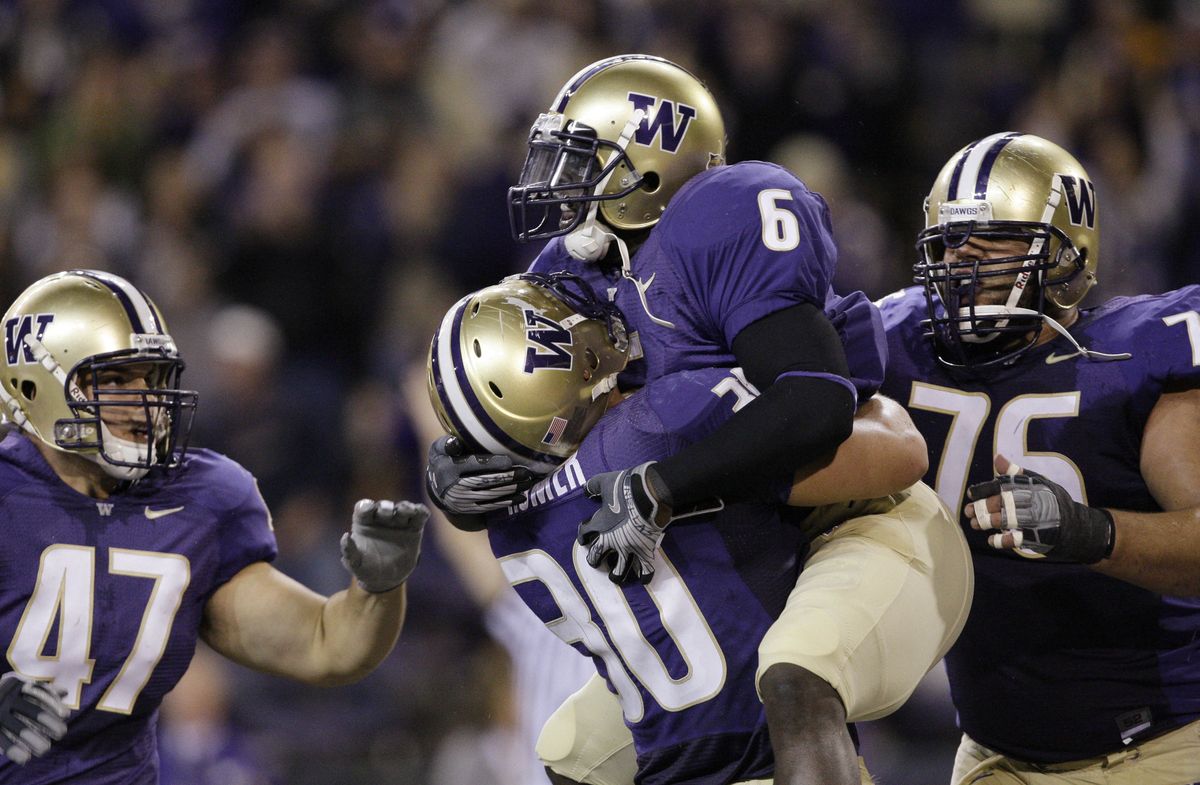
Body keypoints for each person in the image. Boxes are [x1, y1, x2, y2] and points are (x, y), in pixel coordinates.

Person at [426, 274, 973, 785]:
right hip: (760, 707)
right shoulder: (660, 420)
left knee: (571, 749)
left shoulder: (505, 522)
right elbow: (898, 449)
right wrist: (702, 470)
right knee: (791, 681)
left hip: (686, 741)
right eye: (577, 348)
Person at [425, 53, 889, 591]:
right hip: (704, 533)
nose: (559, 184)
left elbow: (813, 401)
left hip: (833, 504)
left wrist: (663, 486)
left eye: (580, 165)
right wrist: (464, 475)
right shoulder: (569, 264)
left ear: (645, 167)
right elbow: (551, 431)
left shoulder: (721, 218)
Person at [0, 269, 427, 783]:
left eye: (150, 378)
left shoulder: (197, 499)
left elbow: (328, 645)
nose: (143, 403)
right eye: (114, 380)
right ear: (36, 384)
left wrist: (378, 589)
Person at [875, 132, 1200, 784]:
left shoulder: (1130, 360)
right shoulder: (896, 342)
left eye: (992, 237)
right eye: (948, 241)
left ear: (1065, 254)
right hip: (994, 751)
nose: (962, 257)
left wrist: (1090, 530)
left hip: (1162, 745)